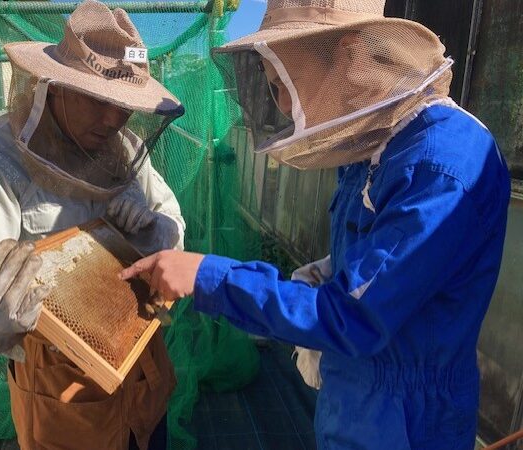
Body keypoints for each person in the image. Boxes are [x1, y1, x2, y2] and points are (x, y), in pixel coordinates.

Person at [120, 1, 511, 449]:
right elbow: (387, 260)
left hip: (407, 424)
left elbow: (354, 316)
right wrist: (331, 268)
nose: (281, 104)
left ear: (347, 55)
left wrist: (208, 277)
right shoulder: (379, 145)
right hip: (357, 398)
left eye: (281, 82)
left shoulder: (440, 166)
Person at [0, 2, 185, 449]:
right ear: (56, 86)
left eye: (124, 105)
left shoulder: (122, 146)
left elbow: (172, 219)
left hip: (144, 386)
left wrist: (158, 234)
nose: (113, 119)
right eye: (96, 99)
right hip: (64, 406)